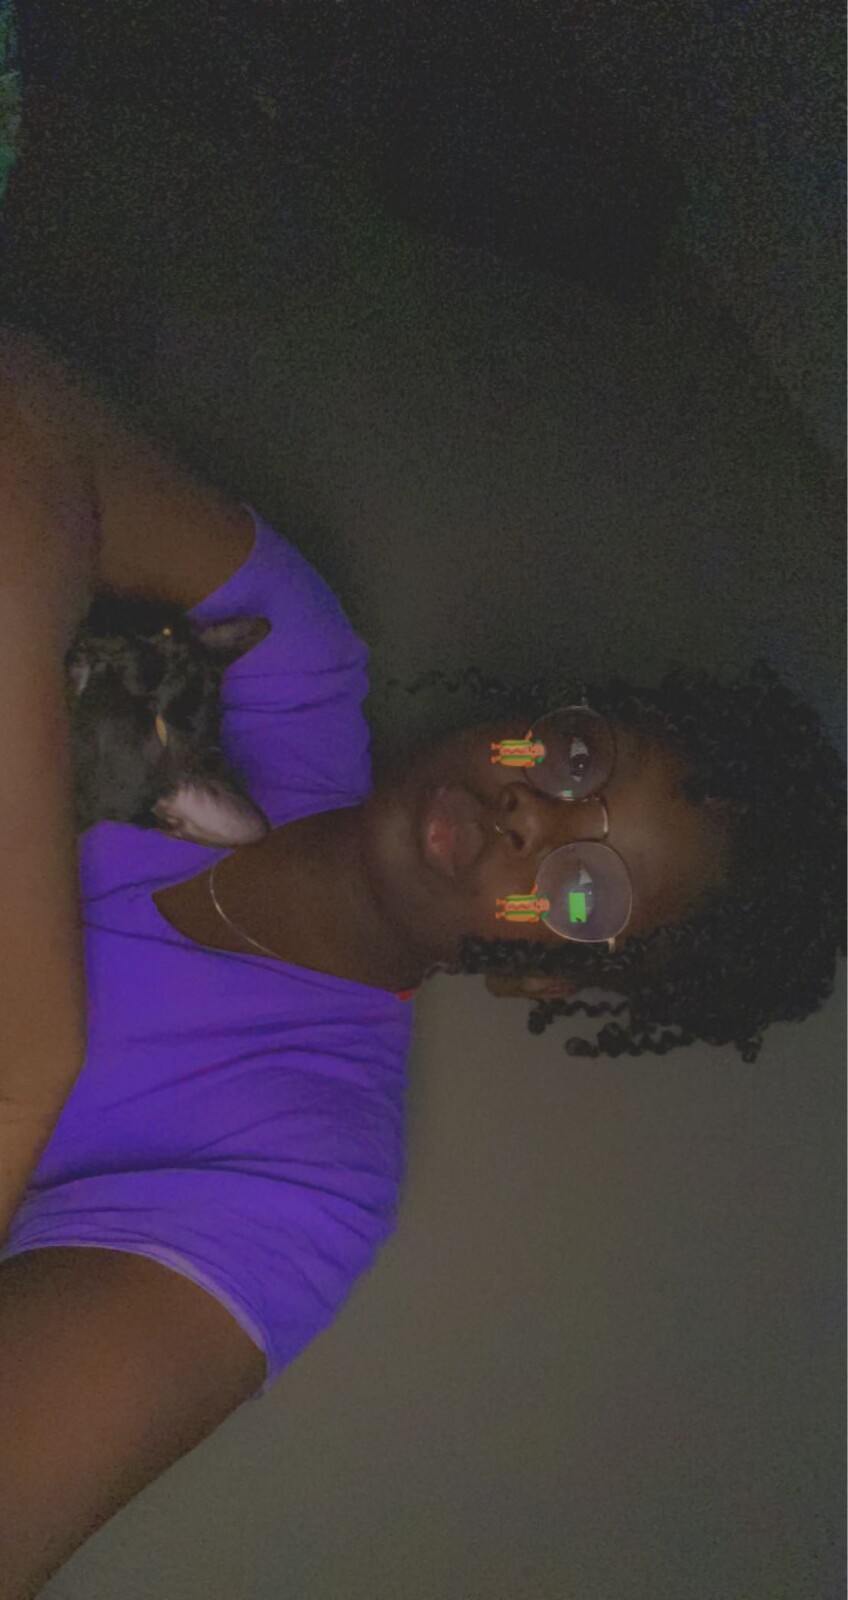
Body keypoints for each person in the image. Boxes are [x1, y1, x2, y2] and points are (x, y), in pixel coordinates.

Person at [0, 325, 843, 1596]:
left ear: (541, 977)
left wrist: (27, 1079)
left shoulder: (302, 1182)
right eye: (574, 760)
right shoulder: (294, 668)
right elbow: (23, 417)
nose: (531, 816)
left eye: (581, 888)